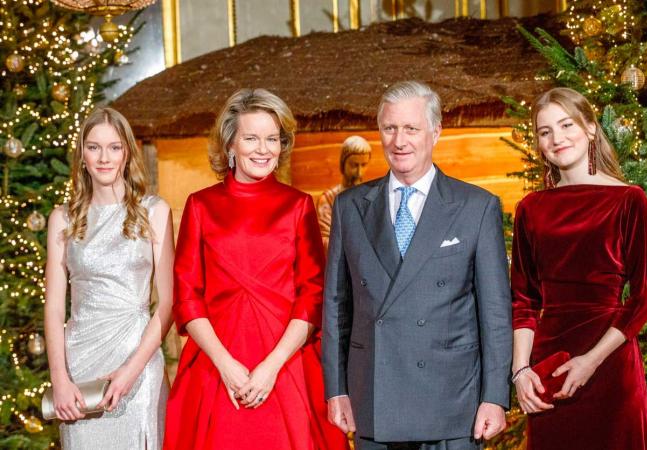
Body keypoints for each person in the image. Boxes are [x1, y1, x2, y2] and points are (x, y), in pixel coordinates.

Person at [322, 80, 512, 450]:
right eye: (390, 128)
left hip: (452, 401)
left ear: (435, 132)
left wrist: (495, 396)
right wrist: (337, 389)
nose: (399, 141)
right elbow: (335, 308)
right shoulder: (350, 207)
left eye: (411, 128)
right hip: (374, 397)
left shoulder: (477, 206)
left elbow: (495, 314)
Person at [163, 88, 348, 450]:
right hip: (216, 366)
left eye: (272, 139)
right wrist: (226, 366)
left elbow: (312, 294)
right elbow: (186, 296)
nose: (263, 149)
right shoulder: (200, 206)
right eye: (251, 138)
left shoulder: (299, 206)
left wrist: (270, 368)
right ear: (230, 144)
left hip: (285, 365)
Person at [510, 87, 647, 450]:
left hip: (609, 361)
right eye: (545, 131)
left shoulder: (628, 200)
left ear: (590, 128)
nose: (557, 138)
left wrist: (591, 361)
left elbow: (645, 297)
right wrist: (520, 371)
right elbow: (523, 300)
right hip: (551, 365)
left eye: (566, 125)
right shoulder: (530, 209)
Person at [44, 107, 173, 449]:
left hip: (138, 361)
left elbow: (168, 304)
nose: (104, 158)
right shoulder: (63, 219)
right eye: (94, 147)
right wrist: (59, 378)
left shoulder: (155, 212)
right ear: (82, 155)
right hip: (80, 366)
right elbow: (55, 309)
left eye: (114, 147)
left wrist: (130, 372)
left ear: (127, 152)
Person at [316, 135, 372, 252]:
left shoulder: (372, 197)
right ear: (343, 164)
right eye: (354, 165)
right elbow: (324, 241)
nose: (359, 173)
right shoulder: (329, 199)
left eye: (363, 165)